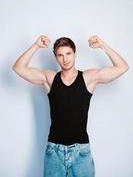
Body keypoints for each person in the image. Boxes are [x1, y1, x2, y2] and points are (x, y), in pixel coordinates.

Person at [12, 35, 129, 177]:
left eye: (68, 53)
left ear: (74, 53)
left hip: (81, 152)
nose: (65, 59)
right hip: (54, 151)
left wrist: (102, 45)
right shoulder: (50, 78)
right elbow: (18, 68)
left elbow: (122, 67)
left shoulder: (88, 78)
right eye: (60, 55)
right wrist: (36, 45)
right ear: (56, 58)